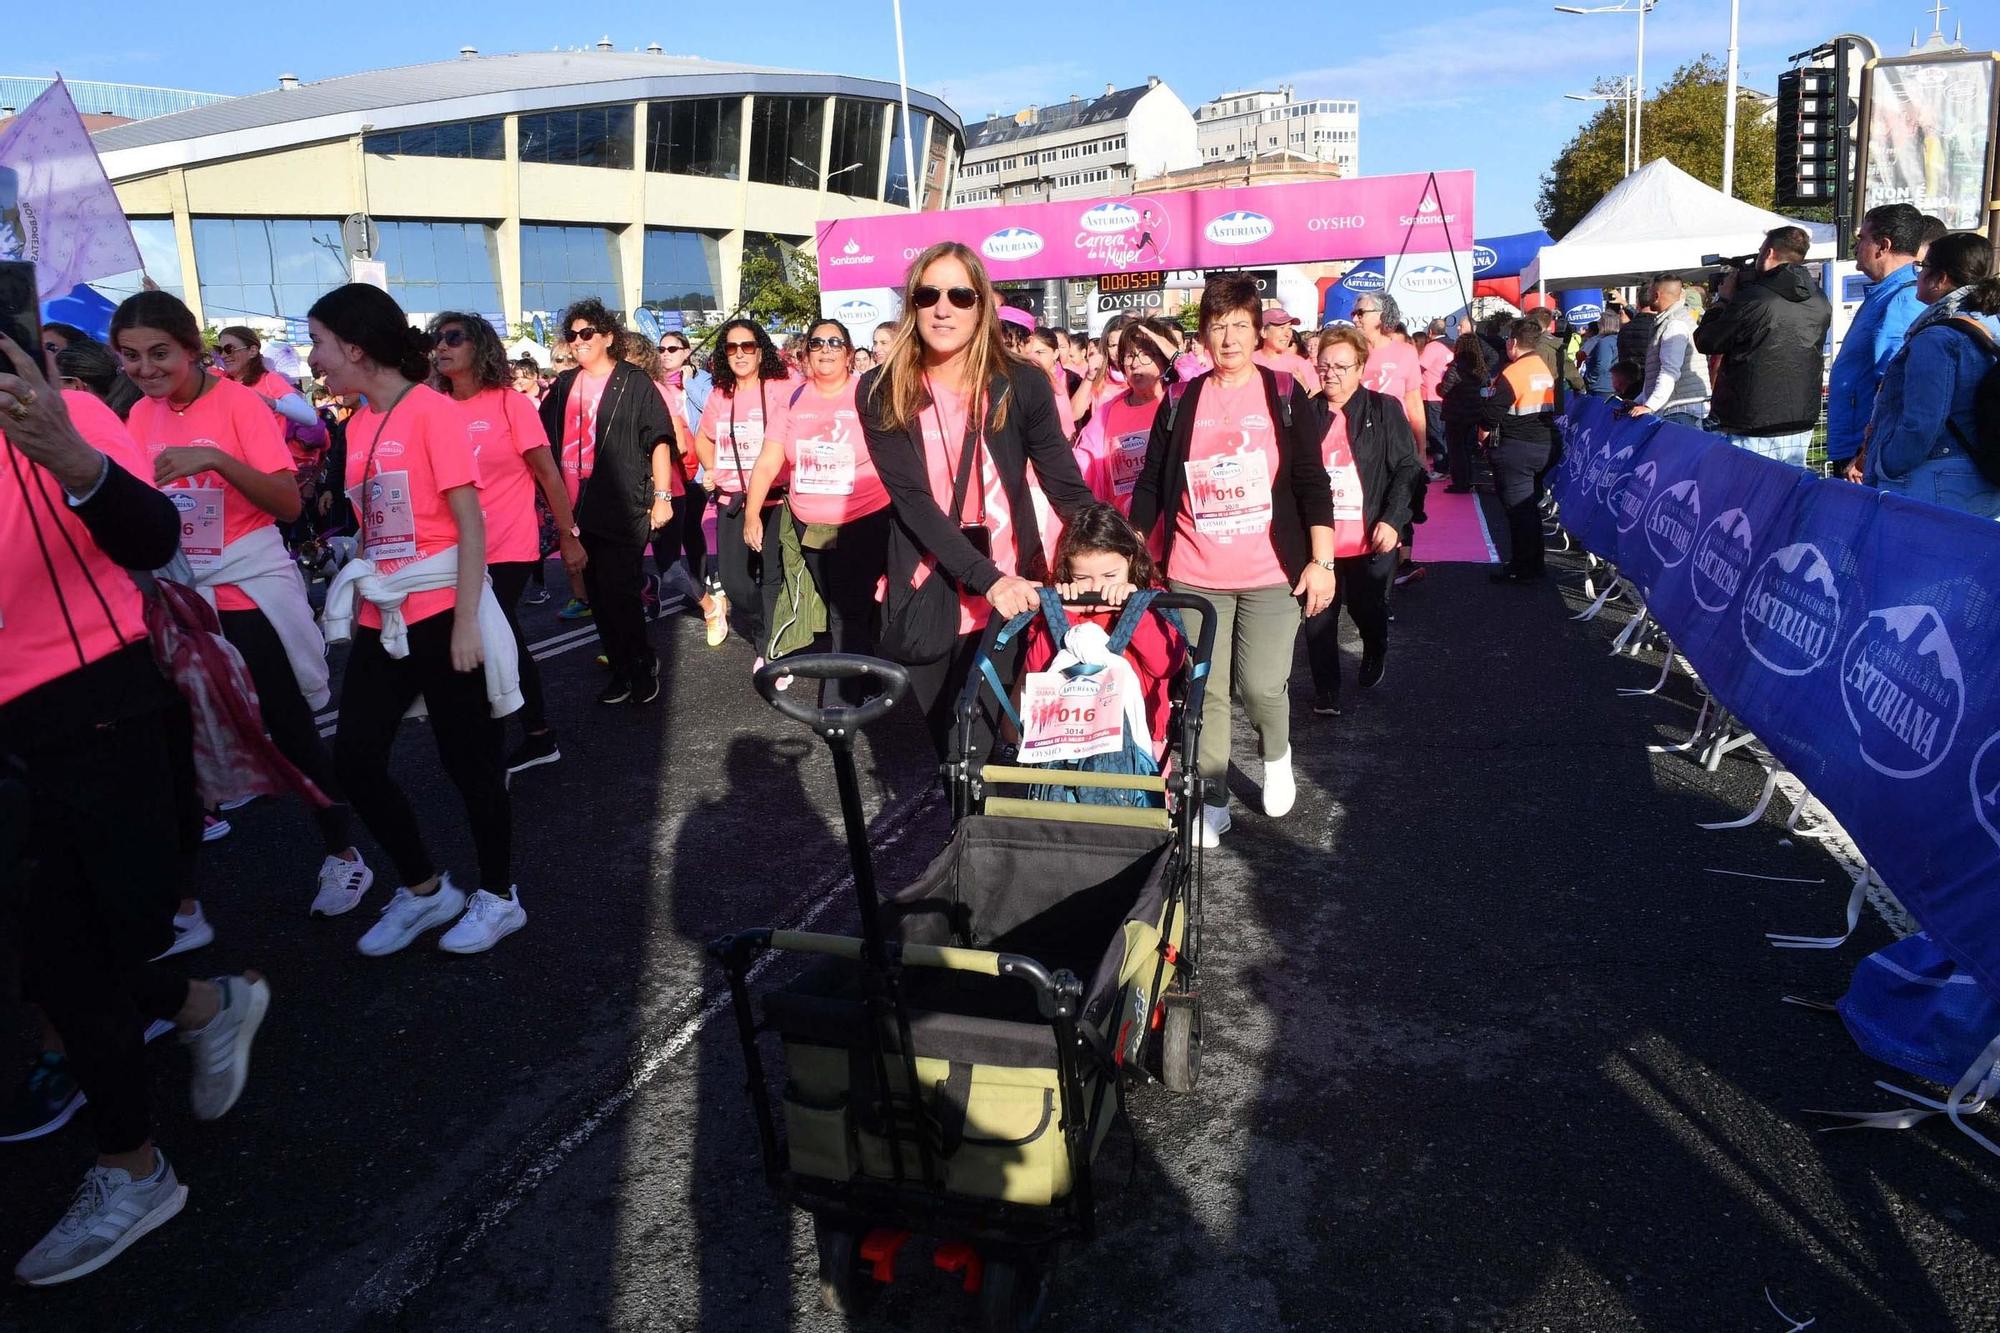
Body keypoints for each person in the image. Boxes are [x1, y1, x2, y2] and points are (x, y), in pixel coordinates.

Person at [1, 333, 269, 1285]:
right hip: (15, 736)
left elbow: (155, 538)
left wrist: (68, 455)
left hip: (98, 714)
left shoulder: (59, 411)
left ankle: (133, 1167)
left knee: (72, 962)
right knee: (56, 960)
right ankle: (206, 1003)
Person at [110, 289, 373, 938]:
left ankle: (345, 854)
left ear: (193, 349)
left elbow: (286, 503)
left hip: (245, 587)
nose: (144, 367)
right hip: (178, 592)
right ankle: (184, 905)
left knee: (290, 728)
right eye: (130, 356)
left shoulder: (239, 404)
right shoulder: (136, 414)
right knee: (176, 744)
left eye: (158, 352)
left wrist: (215, 459)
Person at [307, 282, 520, 956]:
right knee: (356, 757)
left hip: (441, 610)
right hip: (383, 612)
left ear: (356, 346)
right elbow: (375, 529)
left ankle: (499, 895)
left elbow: (468, 522)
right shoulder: (357, 425)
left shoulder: (434, 413)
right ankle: (427, 889)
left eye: (319, 343)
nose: (314, 358)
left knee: (469, 764)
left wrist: (464, 620)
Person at [857, 240, 1096, 760]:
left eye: (960, 296)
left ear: (981, 305)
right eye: (929, 295)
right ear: (912, 305)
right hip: (930, 585)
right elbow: (914, 503)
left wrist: (1115, 552)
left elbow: (1064, 484)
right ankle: (969, 832)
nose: (943, 308)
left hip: (1015, 587)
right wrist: (987, 578)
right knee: (951, 748)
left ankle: (988, 835)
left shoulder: (1022, 383)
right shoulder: (880, 389)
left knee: (989, 742)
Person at [1129, 272, 1338, 846]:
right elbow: (1150, 483)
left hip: (1273, 571)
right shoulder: (1180, 399)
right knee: (1208, 691)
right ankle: (1212, 797)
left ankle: (1276, 755)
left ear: (1257, 330)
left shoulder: (1284, 393)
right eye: (1217, 328)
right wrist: (1131, 550)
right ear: (1202, 335)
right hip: (1195, 570)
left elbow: (1312, 483)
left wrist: (1323, 562)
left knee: (1262, 686)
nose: (1229, 340)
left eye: (1240, 327)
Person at [429, 311, 586, 772]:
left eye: (453, 338)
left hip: (507, 547)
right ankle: (534, 734)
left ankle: (518, 736)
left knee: (493, 635)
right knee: (501, 640)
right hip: (452, 549)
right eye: (436, 339)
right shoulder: (431, 407)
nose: (441, 346)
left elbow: (547, 474)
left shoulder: (509, 404)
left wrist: (568, 534)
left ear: (479, 347)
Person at [537, 300, 677, 703]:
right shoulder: (563, 386)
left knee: (620, 592)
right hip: (575, 507)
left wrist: (663, 497)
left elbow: (659, 440)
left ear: (607, 337)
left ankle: (641, 663)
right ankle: (619, 666)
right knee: (594, 595)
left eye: (587, 334)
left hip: (622, 503)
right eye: (573, 335)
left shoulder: (632, 381)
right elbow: (539, 443)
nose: (578, 342)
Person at [743, 318, 891, 701]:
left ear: (848, 352)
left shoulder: (868, 394)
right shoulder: (792, 400)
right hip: (811, 523)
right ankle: (870, 675)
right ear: (806, 353)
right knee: (841, 604)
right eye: (817, 343)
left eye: (835, 343)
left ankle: (845, 696)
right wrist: (751, 513)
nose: (826, 350)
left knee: (848, 608)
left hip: (864, 517)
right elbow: (767, 460)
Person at [1303, 326, 1420, 716]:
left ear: (1360, 367)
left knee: (1365, 610)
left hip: (1371, 536)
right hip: (1321, 540)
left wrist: (1392, 519)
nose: (1330, 373)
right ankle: (1326, 691)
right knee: (1319, 616)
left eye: (1340, 366)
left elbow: (1407, 467)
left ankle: (1375, 646)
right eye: (1323, 366)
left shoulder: (1384, 408)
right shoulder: (1306, 412)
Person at [1026, 502, 1188, 763]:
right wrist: (1061, 613)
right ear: (1068, 572)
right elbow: (1039, 671)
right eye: (1082, 578)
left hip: (1141, 740)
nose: (1097, 587)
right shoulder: (1058, 606)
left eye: (1110, 575)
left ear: (1131, 562)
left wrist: (1135, 610)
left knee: (1146, 800)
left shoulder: (1152, 601)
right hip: (1069, 739)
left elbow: (1164, 665)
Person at [1862, 231, 2000, 518]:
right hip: (1981, 472)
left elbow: (1922, 422)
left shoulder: (1937, 338)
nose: (1918, 275)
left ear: (1941, 278)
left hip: (1936, 478)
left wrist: (1885, 464)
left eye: (1922, 267)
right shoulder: (1990, 324)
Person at [1693, 227, 1832, 467]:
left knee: (1742, 497)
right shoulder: (1818, 298)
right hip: (1800, 421)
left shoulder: (1756, 298)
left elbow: (1707, 340)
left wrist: (1723, 299)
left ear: (1768, 253)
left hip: (1751, 422)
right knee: (1785, 497)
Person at [694, 318, 790, 666]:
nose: (739, 353)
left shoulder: (780, 387)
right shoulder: (721, 394)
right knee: (735, 583)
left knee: (773, 576)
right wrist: (711, 468)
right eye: (731, 348)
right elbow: (701, 439)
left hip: (775, 498)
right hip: (732, 499)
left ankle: (768, 648)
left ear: (760, 352)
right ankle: (764, 622)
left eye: (747, 346)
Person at [1827, 203, 1926, 478]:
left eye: (1861, 239)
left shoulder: (1902, 301)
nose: (1856, 247)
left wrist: (1863, 454)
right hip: (1857, 447)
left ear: (1883, 246)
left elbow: (1895, 386)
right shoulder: (1886, 296)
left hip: (1865, 454)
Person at [1481, 318, 1561, 584]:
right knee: (1529, 509)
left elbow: (1491, 414)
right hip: (1543, 445)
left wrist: (1483, 432)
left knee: (1518, 512)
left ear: (1513, 343)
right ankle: (1533, 564)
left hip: (1517, 447)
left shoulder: (1513, 373)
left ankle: (1522, 567)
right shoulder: (1543, 368)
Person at [1073, 316, 1176, 512]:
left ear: (1163, 359)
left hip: (1170, 525)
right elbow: (1083, 464)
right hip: (1122, 526)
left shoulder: (1179, 402)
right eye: (1129, 356)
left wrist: (1178, 358)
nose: (1136, 363)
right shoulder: (1107, 412)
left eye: (1146, 354)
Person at [652, 330, 710, 605]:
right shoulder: (655, 384)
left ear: (686, 352)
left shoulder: (700, 379)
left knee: (690, 527)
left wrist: (690, 384)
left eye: (672, 349)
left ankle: (699, 582)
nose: (665, 354)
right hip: (669, 469)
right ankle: (679, 580)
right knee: (666, 532)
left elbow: (711, 410)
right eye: (661, 349)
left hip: (696, 468)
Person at [1629, 275, 1709, 429]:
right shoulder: (1673, 320)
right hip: (1678, 408)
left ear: (1656, 295)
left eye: (1651, 292)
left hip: (1679, 410)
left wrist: (1650, 406)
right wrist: (1640, 401)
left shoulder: (1675, 324)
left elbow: (1669, 371)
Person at [1437, 332, 1491, 493]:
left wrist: (1438, 387)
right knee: (1467, 449)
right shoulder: (1480, 368)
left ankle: (1460, 483)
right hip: (1474, 412)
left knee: (1456, 450)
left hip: (1455, 413)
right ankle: (1468, 480)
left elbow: (1444, 390)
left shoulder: (1455, 367)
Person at [1252, 308, 1322, 396]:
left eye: (1289, 328)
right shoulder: (1248, 362)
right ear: (1263, 332)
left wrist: (1305, 389)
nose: (1287, 334)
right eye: (1281, 328)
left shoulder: (1300, 364)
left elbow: (1318, 398)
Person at [1417, 319, 1452, 472]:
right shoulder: (1453, 344)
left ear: (1430, 332)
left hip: (1431, 394)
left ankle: (1440, 468)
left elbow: (1419, 368)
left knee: (1435, 433)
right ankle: (1445, 464)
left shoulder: (1432, 347)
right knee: (1445, 433)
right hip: (1447, 394)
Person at [1579, 308, 1624, 396]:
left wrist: (1589, 379)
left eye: (1600, 322)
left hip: (1601, 387)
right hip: (1613, 384)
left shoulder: (1605, 342)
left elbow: (1602, 365)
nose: (1598, 324)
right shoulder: (1619, 339)